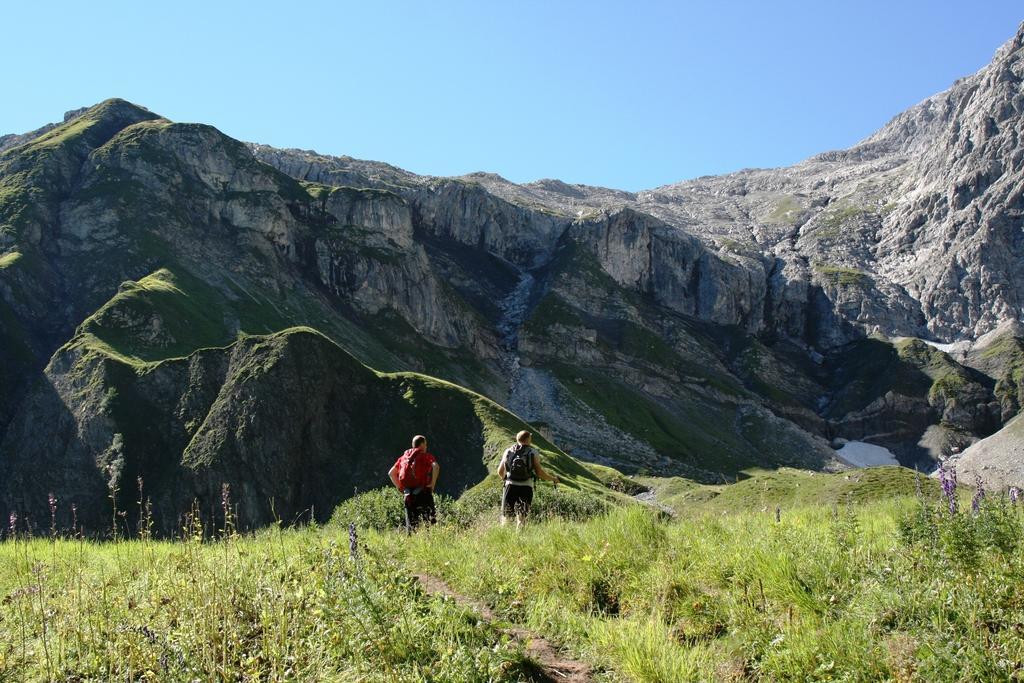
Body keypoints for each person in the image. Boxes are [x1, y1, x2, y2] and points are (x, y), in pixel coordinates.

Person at [497, 430, 559, 529]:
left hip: (510, 486)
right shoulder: (533, 452)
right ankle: (519, 540)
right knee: (521, 518)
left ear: (517, 439)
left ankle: (503, 539)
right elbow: (539, 473)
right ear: (528, 439)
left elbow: (500, 471)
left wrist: (505, 479)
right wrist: (553, 479)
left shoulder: (508, 451)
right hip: (526, 487)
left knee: (506, 517)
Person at [388, 435, 439, 533]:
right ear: (422, 444)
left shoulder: (403, 458)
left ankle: (412, 543)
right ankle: (430, 544)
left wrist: (401, 488)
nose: (426, 447)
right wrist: (432, 484)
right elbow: (436, 467)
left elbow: (391, 473)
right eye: (426, 444)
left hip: (408, 495)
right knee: (430, 525)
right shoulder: (426, 456)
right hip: (424, 493)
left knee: (411, 529)